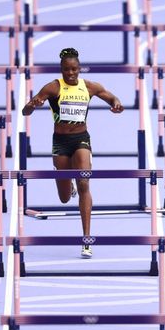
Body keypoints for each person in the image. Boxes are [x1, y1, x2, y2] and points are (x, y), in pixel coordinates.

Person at [22, 47, 124, 259]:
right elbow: (26, 111)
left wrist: (116, 104)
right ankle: (70, 188)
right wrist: (32, 105)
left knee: (84, 182)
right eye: (67, 70)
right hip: (60, 143)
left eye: (74, 70)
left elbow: (112, 98)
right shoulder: (52, 87)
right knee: (64, 197)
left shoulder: (89, 87)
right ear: (61, 69)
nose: (71, 73)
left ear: (79, 69)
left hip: (81, 139)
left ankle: (86, 240)